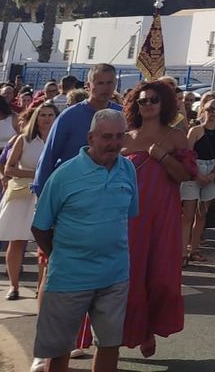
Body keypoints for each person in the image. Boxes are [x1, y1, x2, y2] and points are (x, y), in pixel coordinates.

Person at [78, 80, 193, 359]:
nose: (149, 104)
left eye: (154, 99)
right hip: (125, 216)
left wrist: (162, 156)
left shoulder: (177, 136)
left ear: (164, 103)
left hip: (163, 216)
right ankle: (115, 337)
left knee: (160, 277)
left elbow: (185, 176)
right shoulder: (124, 138)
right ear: (135, 105)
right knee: (126, 277)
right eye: (143, 100)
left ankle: (149, 328)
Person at [30, 110, 139, 372]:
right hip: (69, 277)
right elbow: (40, 227)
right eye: (106, 137)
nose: (113, 143)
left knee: (110, 344)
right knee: (58, 352)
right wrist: (63, 255)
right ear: (91, 137)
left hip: (114, 276)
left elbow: (130, 215)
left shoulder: (128, 169)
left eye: (118, 136)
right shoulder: (64, 175)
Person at [0, 101, 55, 300]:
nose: (47, 118)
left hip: (46, 195)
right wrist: (37, 174)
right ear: (36, 118)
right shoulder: (24, 139)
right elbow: (8, 168)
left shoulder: (58, 141)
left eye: (50, 115)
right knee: (17, 241)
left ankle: (41, 288)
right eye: (43, 115)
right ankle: (13, 286)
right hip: (23, 194)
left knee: (45, 244)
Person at [32, 64, 120, 196]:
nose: (105, 88)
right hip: (72, 191)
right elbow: (49, 155)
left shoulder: (122, 115)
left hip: (110, 192)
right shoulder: (69, 116)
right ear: (88, 86)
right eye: (100, 83)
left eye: (109, 83)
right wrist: (41, 192)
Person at [182, 92, 215, 262]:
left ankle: (194, 249)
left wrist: (214, 173)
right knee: (188, 214)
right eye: (211, 109)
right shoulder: (195, 130)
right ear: (203, 109)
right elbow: (187, 155)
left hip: (212, 170)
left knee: (202, 213)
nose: (214, 112)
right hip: (195, 170)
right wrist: (198, 174)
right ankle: (182, 252)